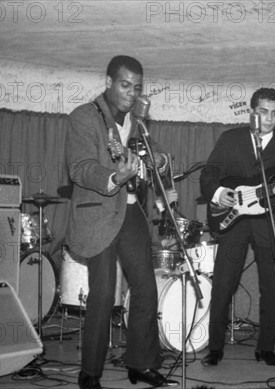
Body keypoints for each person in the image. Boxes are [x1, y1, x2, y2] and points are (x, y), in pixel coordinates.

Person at [65, 55, 178, 389]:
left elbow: (154, 158)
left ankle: (141, 363)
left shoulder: (139, 124)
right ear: (108, 82)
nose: (132, 93)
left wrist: (158, 160)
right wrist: (115, 175)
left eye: (137, 87)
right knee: (102, 295)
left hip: (130, 213)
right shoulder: (84, 117)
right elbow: (80, 168)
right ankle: (90, 374)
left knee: (145, 287)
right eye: (125, 85)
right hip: (98, 213)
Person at [199, 88, 275, 366]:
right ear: (252, 112)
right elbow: (209, 174)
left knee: (271, 283)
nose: (268, 119)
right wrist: (219, 193)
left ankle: (266, 347)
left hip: (267, 220)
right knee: (223, 283)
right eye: (263, 112)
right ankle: (215, 347)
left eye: (274, 113)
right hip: (234, 218)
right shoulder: (230, 138)